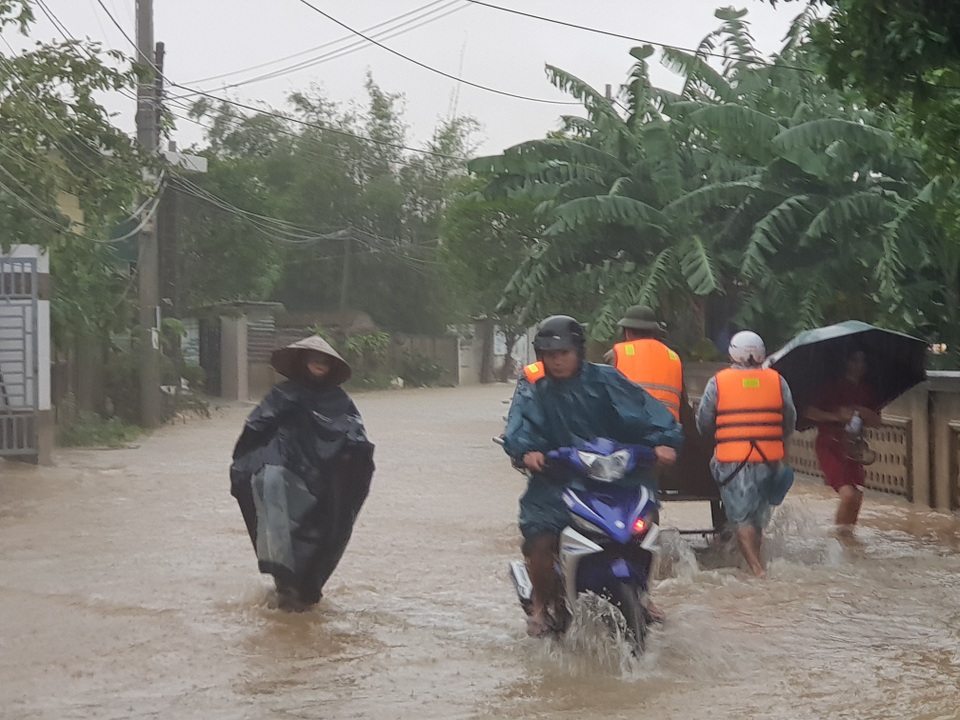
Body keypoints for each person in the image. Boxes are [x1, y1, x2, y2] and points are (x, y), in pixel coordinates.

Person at [502, 315, 683, 637]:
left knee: (647, 516)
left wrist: (665, 442)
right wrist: (527, 451)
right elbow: (519, 427)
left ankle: (642, 594)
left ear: (579, 351)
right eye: (549, 355)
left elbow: (648, 413)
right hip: (556, 477)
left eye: (563, 353)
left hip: (614, 475)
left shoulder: (607, 380)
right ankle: (542, 606)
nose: (556, 361)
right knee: (541, 537)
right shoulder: (534, 388)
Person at [230, 335, 375, 611]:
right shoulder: (282, 395)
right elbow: (256, 430)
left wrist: (351, 455)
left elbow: (354, 436)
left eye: (324, 362)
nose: (319, 365)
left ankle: (302, 593)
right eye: (314, 360)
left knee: (323, 535)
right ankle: (285, 587)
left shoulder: (338, 401)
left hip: (324, 483)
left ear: (330, 367)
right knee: (279, 525)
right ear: (305, 362)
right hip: (287, 479)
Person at [696, 331, 797, 578]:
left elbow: (704, 421)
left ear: (732, 352)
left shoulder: (718, 382)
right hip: (769, 460)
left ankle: (756, 569)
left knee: (741, 519)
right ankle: (756, 561)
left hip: (732, 461)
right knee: (757, 518)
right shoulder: (777, 381)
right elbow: (790, 419)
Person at [805, 347, 881, 532]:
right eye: (854, 360)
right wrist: (836, 416)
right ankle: (838, 537)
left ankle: (848, 538)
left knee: (857, 497)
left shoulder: (867, 390)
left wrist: (864, 412)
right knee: (847, 494)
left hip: (853, 448)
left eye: (862, 361)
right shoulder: (830, 386)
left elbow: (877, 421)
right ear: (845, 363)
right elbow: (809, 412)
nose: (859, 366)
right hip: (829, 445)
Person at [608, 305, 685, 424]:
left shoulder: (616, 354)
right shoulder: (673, 358)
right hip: (668, 433)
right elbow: (685, 410)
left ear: (627, 331)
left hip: (630, 430)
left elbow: (599, 398)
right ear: (654, 332)